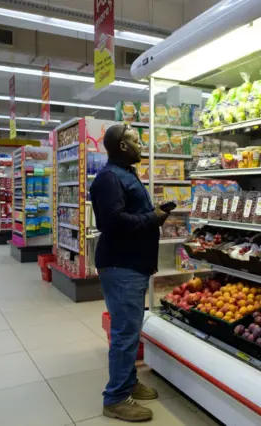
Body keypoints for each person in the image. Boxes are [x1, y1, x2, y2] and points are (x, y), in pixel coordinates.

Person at [90, 124, 171, 422]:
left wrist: (153, 214)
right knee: (125, 334)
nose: (141, 145)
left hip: (132, 264)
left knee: (130, 329)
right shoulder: (110, 178)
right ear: (122, 146)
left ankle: (128, 382)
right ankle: (114, 399)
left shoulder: (125, 174)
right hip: (121, 265)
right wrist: (153, 218)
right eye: (136, 141)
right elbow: (112, 223)